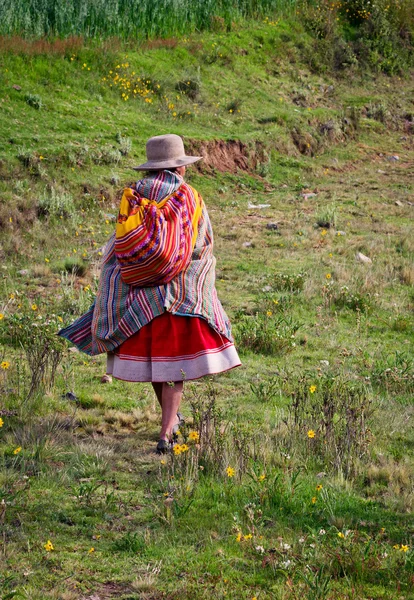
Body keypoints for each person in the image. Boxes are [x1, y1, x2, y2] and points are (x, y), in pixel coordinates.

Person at [59, 134, 241, 453]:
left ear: (149, 168)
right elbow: (202, 242)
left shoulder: (133, 197)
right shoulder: (189, 197)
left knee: (161, 365)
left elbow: (119, 245)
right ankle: (167, 432)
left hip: (139, 301)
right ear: (179, 168)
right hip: (177, 297)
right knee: (175, 368)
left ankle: (170, 422)